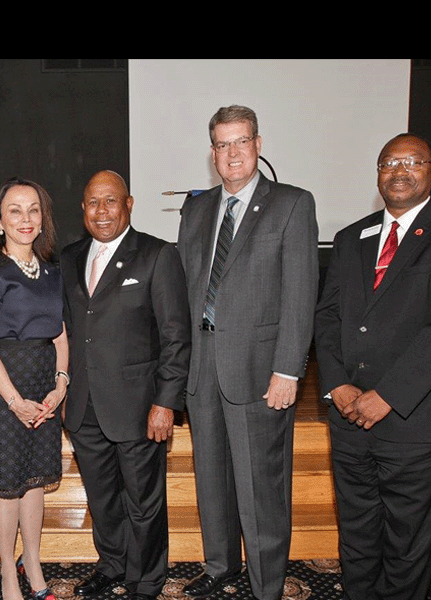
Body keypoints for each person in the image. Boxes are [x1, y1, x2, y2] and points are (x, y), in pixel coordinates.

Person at [314, 133, 431, 600]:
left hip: (414, 422)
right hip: (349, 418)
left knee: (407, 544)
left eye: (412, 162)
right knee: (357, 536)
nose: (399, 170)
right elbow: (327, 316)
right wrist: (338, 385)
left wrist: (387, 395)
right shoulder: (352, 237)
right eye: (389, 163)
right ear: (378, 174)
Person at [177, 105, 319, 600]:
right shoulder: (195, 209)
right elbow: (187, 293)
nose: (232, 153)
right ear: (212, 152)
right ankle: (220, 568)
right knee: (211, 479)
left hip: (260, 372)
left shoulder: (292, 204)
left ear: (258, 144)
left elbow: (301, 296)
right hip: (202, 369)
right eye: (222, 144)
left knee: (261, 488)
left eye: (241, 141)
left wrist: (288, 370)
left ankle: (266, 586)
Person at [60, 170, 191, 600]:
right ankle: (113, 565)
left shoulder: (156, 255)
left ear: (129, 204)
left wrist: (166, 402)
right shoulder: (69, 257)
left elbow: (175, 335)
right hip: (84, 407)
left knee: (144, 502)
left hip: (139, 407)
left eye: (111, 201)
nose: (102, 211)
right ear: (83, 209)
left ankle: (147, 580)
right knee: (102, 500)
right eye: (93, 202)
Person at [0, 177, 68, 600]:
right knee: (8, 483)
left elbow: (61, 335)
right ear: (1, 221)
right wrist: (13, 401)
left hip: (44, 388)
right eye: (15, 210)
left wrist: (60, 385)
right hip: (2, 390)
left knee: (35, 480)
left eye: (33, 210)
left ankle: (33, 562)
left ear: (43, 219)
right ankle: (8, 572)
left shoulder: (53, 271)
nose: (25, 218)